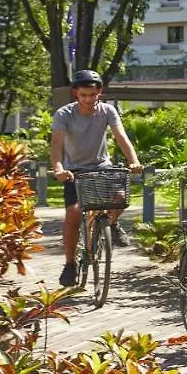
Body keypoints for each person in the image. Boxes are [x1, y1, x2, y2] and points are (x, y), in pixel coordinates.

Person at [50, 70, 144, 287]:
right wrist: (58, 168)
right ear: (76, 94)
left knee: (120, 198)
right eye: (83, 95)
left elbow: (121, 137)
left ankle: (110, 223)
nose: (88, 100)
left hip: (102, 167)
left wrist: (134, 161)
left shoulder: (107, 111)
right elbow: (56, 146)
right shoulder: (64, 114)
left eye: (92, 95)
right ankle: (70, 264)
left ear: (99, 93)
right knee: (73, 214)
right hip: (74, 171)